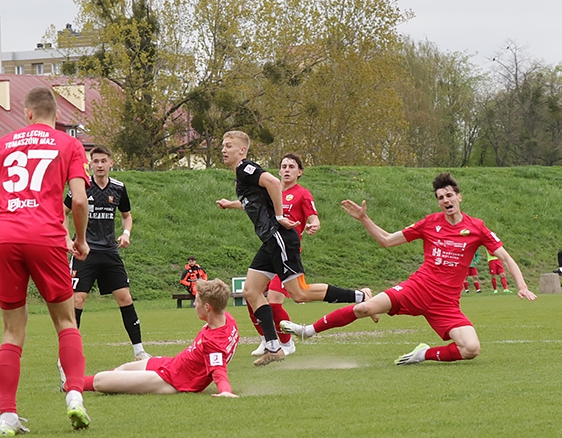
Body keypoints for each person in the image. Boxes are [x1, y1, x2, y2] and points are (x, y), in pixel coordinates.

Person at [281, 172, 537, 365]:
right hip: (416, 289)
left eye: (449, 195)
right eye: (440, 197)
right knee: (364, 308)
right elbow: (387, 240)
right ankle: (308, 331)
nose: (445, 200)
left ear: (459, 197)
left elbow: (505, 257)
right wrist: (364, 218)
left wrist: (522, 286)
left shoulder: (476, 227)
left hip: (446, 304)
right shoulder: (430, 223)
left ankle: (422, 354)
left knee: (471, 349)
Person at [0, 86, 92, 436]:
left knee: (12, 331)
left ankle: (7, 416)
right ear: (56, 115)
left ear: (27, 113)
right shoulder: (69, 144)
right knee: (66, 323)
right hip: (47, 237)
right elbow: (80, 201)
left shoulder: (2, 144)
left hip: (5, 237)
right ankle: (73, 397)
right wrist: (80, 240)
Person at [216, 130, 375, 367]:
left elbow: (272, 182)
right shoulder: (241, 176)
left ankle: (361, 295)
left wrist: (279, 216)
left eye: (229, 145)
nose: (223, 150)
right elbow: (258, 201)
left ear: (242, 150)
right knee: (251, 290)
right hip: (270, 240)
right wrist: (231, 204)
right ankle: (273, 346)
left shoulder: (245, 168)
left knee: (300, 293)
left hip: (280, 237)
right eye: (223, 146)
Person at [63, 145, 150, 360]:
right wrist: (66, 239)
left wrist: (126, 233)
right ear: (90, 164)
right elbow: (62, 213)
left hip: (110, 251)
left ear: (111, 163)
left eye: (103, 161)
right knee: (77, 300)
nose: (100, 165)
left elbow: (126, 215)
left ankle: (139, 351)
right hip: (85, 251)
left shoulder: (119, 188)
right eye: (96, 161)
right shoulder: (80, 186)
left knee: (125, 297)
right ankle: (68, 354)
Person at [82, 279, 238, 397]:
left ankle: (72, 386)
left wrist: (225, 391)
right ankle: (72, 384)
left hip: (172, 381)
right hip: (172, 364)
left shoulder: (214, 342)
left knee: (100, 381)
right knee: (123, 368)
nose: (194, 305)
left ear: (207, 307)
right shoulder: (227, 319)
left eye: (196, 301)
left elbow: (219, 370)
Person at [248, 153, 322, 358]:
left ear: (300, 172)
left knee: (273, 301)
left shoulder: (302, 194)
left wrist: (313, 225)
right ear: (279, 171)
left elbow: (314, 218)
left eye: (291, 166)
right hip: (269, 249)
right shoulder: (273, 191)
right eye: (283, 166)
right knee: (250, 294)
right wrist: (231, 203)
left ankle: (287, 343)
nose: (287, 169)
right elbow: (253, 205)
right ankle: (267, 340)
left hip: (287, 254)